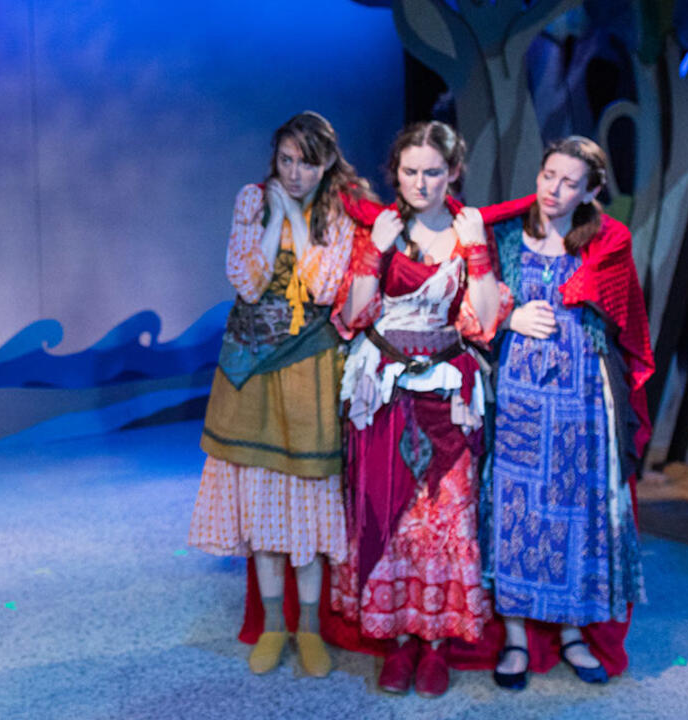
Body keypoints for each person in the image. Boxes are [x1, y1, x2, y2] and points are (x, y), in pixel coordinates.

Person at [189, 111, 375, 677]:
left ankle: (310, 630)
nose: (293, 173)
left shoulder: (338, 211)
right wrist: (278, 220)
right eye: (286, 160)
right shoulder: (252, 200)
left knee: (308, 510)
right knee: (263, 508)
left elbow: (321, 288)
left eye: (307, 163)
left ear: (327, 164)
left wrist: (297, 213)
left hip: (306, 369)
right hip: (250, 369)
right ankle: (273, 627)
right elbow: (245, 280)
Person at [329, 121, 508, 698]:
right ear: (395, 173)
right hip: (384, 390)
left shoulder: (466, 231)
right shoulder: (379, 229)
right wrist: (376, 251)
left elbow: (484, 320)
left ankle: (434, 645)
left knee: (444, 519)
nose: (421, 182)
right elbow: (355, 314)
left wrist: (478, 249)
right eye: (410, 171)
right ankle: (399, 642)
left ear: (453, 171)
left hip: (445, 394)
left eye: (433, 171)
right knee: (391, 514)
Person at [478, 136, 652, 689]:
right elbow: (468, 297)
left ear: (592, 191)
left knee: (577, 508)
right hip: (521, 398)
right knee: (515, 509)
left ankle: (574, 632)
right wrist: (508, 316)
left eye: (569, 182)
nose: (553, 189)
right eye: (548, 174)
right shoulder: (505, 232)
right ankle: (513, 637)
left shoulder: (608, 239)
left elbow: (620, 314)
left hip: (581, 399)